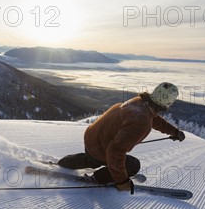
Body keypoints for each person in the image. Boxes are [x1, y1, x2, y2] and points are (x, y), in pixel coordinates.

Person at [58, 82, 186, 192]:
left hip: (92, 136)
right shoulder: (141, 122)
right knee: (133, 165)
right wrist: (122, 181)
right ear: (168, 103)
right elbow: (115, 152)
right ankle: (97, 177)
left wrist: (174, 131)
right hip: (100, 147)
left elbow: (154, 119)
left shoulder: (140, 102)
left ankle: (64, 162)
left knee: (91, 158)